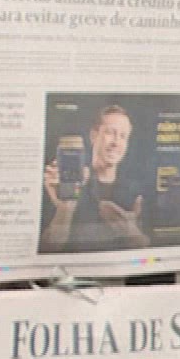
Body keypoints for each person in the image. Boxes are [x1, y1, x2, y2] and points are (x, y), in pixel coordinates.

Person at [41, 104, 149, 253]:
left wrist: (131, 233)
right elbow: (49, 249)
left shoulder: (137, 192)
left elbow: (152, 252)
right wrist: (65, 208)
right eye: (110, 133)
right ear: (94, 135)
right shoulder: (63, 184)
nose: (116, 142)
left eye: (123, 136)